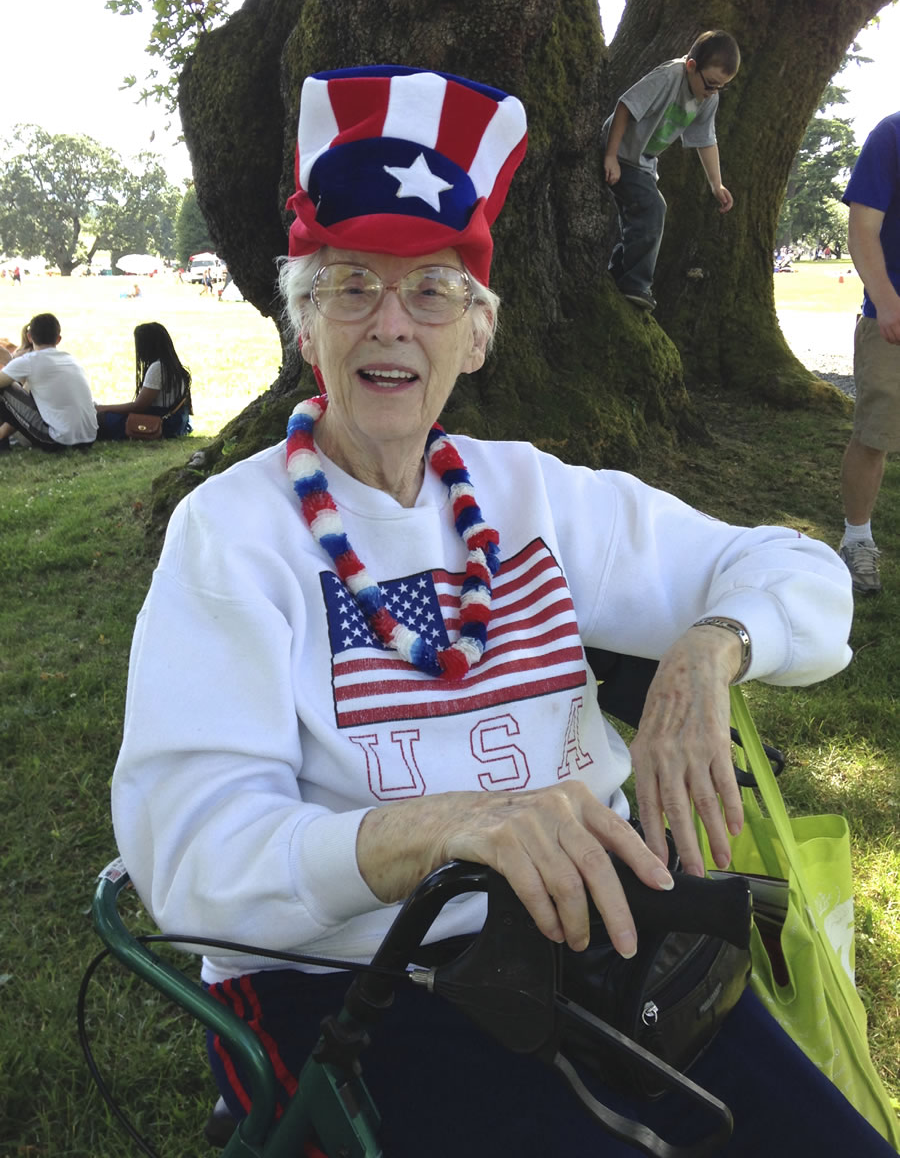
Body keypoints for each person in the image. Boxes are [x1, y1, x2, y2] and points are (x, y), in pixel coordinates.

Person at [110, 67, 895, 1157]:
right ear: (305, 326)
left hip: (606, 935)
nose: (391, 324)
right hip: (362, 981)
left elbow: (791, 574)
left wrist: (711, 652)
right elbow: (190, 857)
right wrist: (440, 832)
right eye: (350, 287)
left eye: (431, 290)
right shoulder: (231, 535)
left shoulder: (529, 494)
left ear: (477, 335)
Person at [602, 30, 740, 311]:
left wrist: (717, 184)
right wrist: (611, 156)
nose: (713, 92)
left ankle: (617, 274)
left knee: (642, 216)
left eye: (721, 87)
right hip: (622, 154)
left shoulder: (707, 98)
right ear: (691, 66)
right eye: (711, 84)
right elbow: (625, 106)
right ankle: (636, 284)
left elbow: (706, 140)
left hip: (642, 163)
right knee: (653, 208)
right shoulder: (669, 77)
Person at [837, 110, 900, 595]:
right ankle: (857, 539)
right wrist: (885, 299)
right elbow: (863, 228)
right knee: (876, 433)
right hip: (893, 317)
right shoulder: (892, 135)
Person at [0, 312, 97, 452]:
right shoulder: (71, 359)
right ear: (58, 339)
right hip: (88, 438)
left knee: (4, 388)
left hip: (57, 441)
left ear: (29, 337)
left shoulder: (29, 361)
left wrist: (6, 359)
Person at [95, 321, 192, 439]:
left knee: (101, 418)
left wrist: (103, 408)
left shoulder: (158, 367)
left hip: (160, 424)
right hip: (174, 424)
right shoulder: (173, 366)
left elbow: (139, 406)